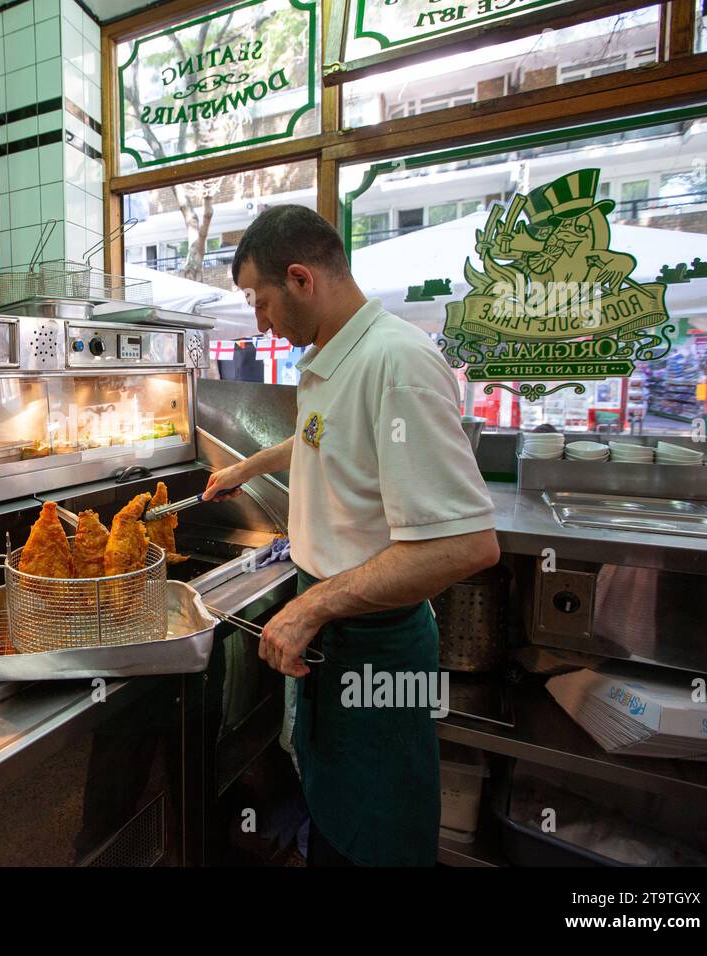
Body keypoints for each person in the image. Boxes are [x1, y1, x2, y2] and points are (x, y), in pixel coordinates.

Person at [203, 205, 500, 866]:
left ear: (302, 279)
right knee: (336, 816)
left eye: (260, 301)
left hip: (376, 647)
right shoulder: (333, 361)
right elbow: (316, 439)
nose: (258, 322)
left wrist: (309, 606)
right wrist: (246, 467)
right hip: (334, 636)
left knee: (380, 832)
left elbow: (466, 546)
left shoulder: (396, 363)